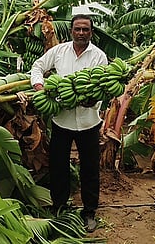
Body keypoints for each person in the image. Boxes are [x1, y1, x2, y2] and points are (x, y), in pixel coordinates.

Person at [30, 14, 108, 232]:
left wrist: (92, 101)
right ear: (71, 31)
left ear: (91, 32)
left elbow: (103, 86)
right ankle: (60, 206)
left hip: (89, 122)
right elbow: (37, 67)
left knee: (90, 169)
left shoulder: (99, 57)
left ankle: (89, 211)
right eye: (77, 29)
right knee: (58, 166)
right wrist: (40, 88)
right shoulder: (59, 52)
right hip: (61, 120)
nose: (81, 33)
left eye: (85, 29)